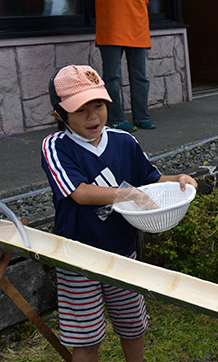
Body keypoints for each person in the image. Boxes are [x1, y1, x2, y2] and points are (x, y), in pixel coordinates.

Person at [41, 65, 197, 362]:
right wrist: (127, 193)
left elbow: (149, 181)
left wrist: (178, 179)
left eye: (98, 105)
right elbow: (80, 192)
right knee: (86, 339)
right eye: (80, 110)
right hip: (77, 256)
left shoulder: (124, 141)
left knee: (133, 326)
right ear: (59, 115)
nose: (93, 116)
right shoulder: (56, 147)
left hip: (123, 252)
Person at [80, 0, 155, 133]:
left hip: (138, 29)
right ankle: (116, 118)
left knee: (140, 76)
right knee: (112, 77)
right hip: (111, 29)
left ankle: (142, 116)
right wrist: (94, 19)